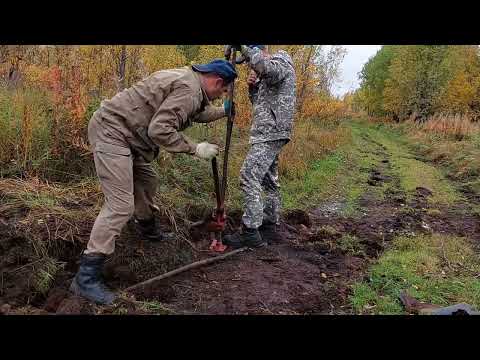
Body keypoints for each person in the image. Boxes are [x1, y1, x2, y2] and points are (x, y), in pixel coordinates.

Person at [70, 59, 237, 305]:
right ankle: (85, 277)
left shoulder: (190, 83)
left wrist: (224, 110)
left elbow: (196, 111)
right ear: (218, 81)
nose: (219, 95)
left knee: (147, 181)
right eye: (222, 91)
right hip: (112, 132)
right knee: (119, 206)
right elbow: (159, 130)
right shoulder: (189, 90)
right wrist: (195, 148)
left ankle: (147, 230)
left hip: (128, 136)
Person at [223, 45, 296, 249]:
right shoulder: (268, 73)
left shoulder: (282, 60)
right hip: (268, 131)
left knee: (249, 175)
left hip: (271, 132)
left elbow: (264, 66)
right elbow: (260, 105)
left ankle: (250, 232)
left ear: (262, 51)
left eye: (251, 59)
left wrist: (244, 48)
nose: (251, 66)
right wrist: (253, 88)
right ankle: (270, 222)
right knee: (268, 180)